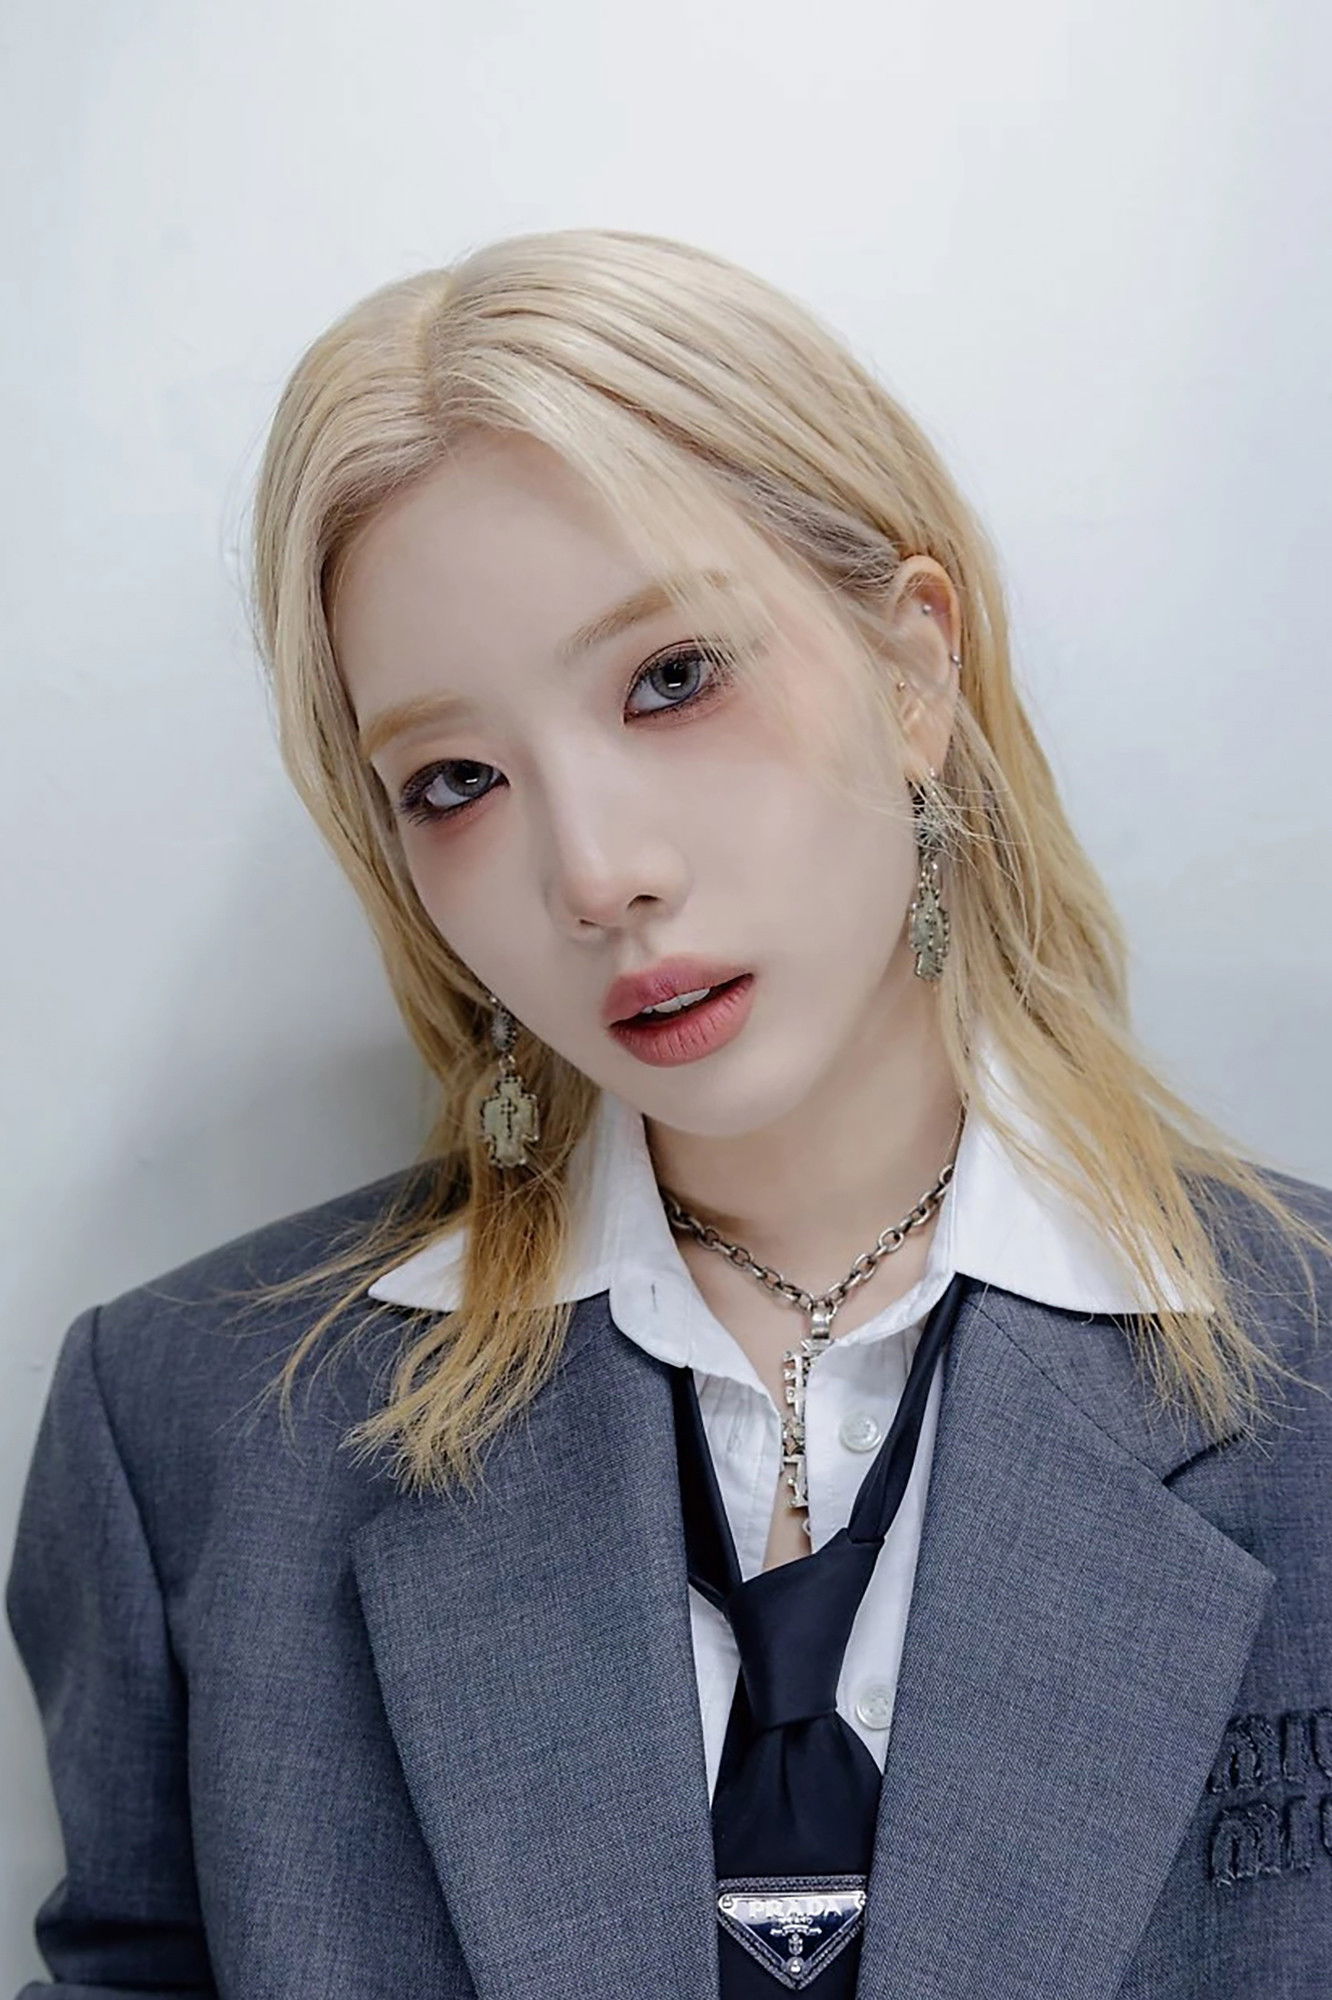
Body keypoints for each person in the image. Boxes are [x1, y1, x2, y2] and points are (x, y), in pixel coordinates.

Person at [6, 227, 1331, 2000]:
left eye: (673, 678)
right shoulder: (189, 1433)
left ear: (915, 673)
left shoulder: (1307, 1373)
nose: (594, 873)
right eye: (455, 780)